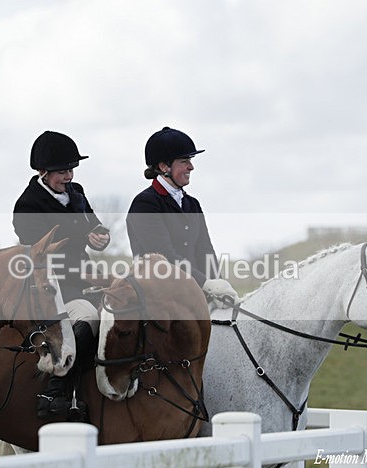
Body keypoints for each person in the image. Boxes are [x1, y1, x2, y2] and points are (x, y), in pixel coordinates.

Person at [12, 131, 110, 420]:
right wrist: (86, 272)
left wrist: (100, 237)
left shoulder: (76, 192)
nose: (68, 176)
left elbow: (96, 226)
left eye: (71, 169)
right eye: (62, 171)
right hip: (51, 288)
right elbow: (44, 258)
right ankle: (57, 390)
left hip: (83, 279)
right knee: (88, 318)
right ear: (43, 172)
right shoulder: (27, 205)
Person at [126, 126, 238, 307]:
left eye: (190, 161)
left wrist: (218, 285)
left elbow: (205, 249)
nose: (191, 167)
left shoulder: (191, 204)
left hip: (194, 292)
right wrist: (205, 283)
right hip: (158, 297)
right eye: (184, 161)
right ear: (164, 167)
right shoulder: (144, 204)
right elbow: (164, 257)